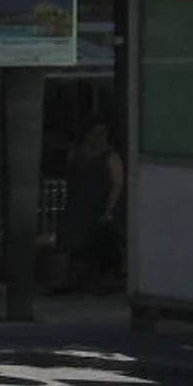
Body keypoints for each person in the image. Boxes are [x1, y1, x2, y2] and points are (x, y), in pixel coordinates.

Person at [58, 121, 125, 291]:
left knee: (100, 243)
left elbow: (117, 182)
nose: (98, 138)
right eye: (94, 134)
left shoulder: (110, 156)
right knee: (69, 243)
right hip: (78, 205)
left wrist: (109, 208)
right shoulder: (78, 153)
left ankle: (103, 279)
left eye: (102, 134)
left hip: (100, 206)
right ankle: (66, 280)